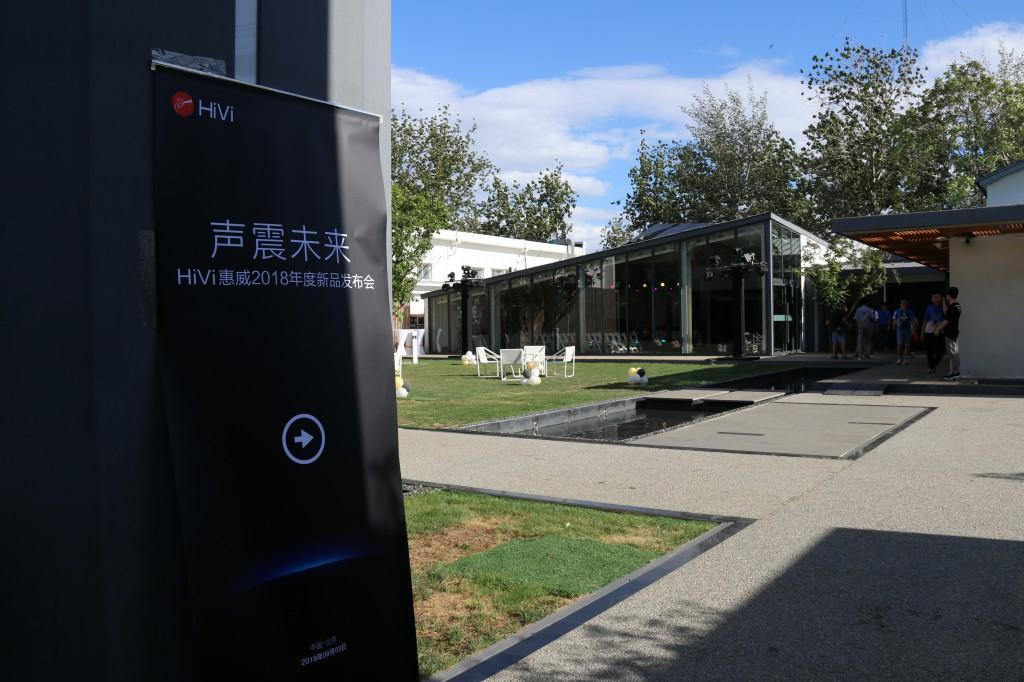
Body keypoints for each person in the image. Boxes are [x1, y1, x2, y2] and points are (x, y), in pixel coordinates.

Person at [937, 287, 962, 380]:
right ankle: (954, 372)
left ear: (948, 295)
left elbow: (946, 320)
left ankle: (956, 373)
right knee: (953, 353)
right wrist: (944, 303)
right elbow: (947, 314)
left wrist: (938, 329)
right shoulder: (957, 306)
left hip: (951, 333)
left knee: (953, 353)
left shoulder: (952, 307)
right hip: (954, 332)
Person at [922, 293, 946, 376]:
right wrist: (922, 332)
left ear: (941, 298)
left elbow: (946, 315)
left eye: (937, 297)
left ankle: (932, 366)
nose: (936, 299)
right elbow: (925, 320)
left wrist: (944, 303)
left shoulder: (944, 307)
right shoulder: (929, 308)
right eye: (934, 298)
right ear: (932, 299)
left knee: (941, 350)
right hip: (929, 331)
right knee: (929, 351)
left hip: (940, 331)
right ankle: (930, 369)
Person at [891, 298, 917, 366]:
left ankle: (905, 359)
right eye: (902, 303)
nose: (904, 304)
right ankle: (899, 358)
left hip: (908, 330)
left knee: (907, 345)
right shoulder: (897, 311)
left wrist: (914, 328)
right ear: (900, 304)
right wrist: (894, 325)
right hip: (900, 330)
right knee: (899, 344)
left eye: (905, 303)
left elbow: (913, 320)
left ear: (907, 304)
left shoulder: (910, 311)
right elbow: (894, 319)